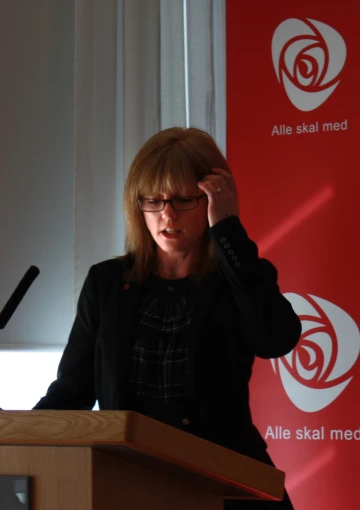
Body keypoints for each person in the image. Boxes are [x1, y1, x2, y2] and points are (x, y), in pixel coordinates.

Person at [33, 126, 301, 509]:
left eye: (182, 200)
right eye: (153, 201)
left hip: (227, 485)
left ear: (211, 198)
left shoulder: (237, 278)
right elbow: (71, 393)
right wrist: (19, 439)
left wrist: (227, 230)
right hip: (128, 484)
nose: (167, 214)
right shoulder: (107, 283)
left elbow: (276, 339)